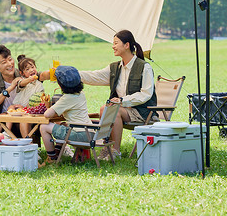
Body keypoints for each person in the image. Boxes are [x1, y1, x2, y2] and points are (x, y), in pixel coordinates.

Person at [78, 29, 157, 160]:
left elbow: (146, 94)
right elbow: (94, 76)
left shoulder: (144, 67)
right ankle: (107, 146)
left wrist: (122, 100)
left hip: (142, 112)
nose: (113, 46)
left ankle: (115, 151)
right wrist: (72, 73)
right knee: (105, 108)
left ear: (126, 45)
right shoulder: (115, 67)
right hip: (124, 109)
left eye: (116, 43)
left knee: (114, 110)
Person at [39, 65, 91, 166]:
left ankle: (52, 158)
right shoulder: (81, 94)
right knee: (63, 125)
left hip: (80, 136)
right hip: (90, 133)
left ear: (60, 85)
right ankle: (58, 153)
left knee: (44, 126)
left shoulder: (67, 98)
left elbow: (47, 114)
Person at [0, 45, 27, 136]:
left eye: (10, 59)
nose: (9, 64)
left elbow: (38, 75)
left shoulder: (22, 73)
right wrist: (10, 88)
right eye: (4, 62)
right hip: (2, 124)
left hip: (24, 118)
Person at [13, 54, 45, 137]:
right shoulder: (22, 81)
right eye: (27, 69)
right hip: (17, 109)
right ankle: (7, 132)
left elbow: (39, 100)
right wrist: (30, 79)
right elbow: (21, 83)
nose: (31, 70)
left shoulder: (38, 85)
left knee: (25, 119)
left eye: (33, 67)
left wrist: (25, 109)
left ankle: (28, 142)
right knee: (11, 108)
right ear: (22, 73)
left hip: (30, 112)